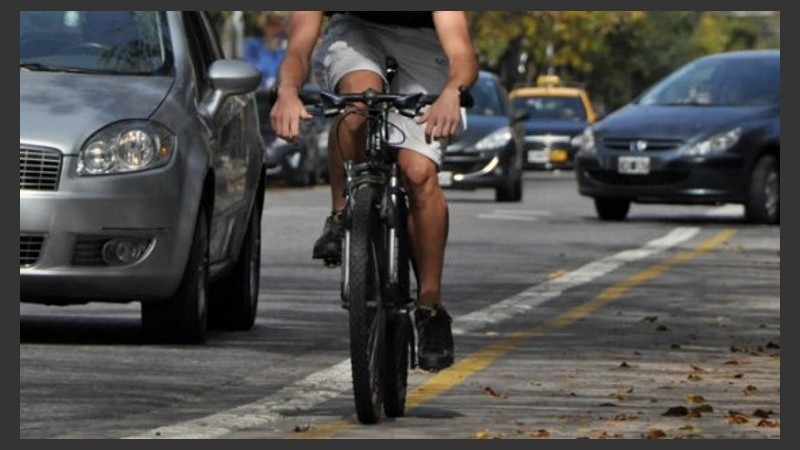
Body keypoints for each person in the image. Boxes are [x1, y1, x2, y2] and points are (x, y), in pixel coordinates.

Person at [270, 11, 478, 372]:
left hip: (424, 43)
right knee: (358, 107)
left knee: (418, 173)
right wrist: (286, 93)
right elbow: (299, 48)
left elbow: (461, 53)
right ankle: (340, 214)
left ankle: (430, 309)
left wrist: (451, 93)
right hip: (357, 34)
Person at [244, 11, 287, 91]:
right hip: (259, 92)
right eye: (270, 25)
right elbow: (250, 69)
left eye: (277, 25)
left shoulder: (285, 48)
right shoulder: (252, 45)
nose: (274, 29)